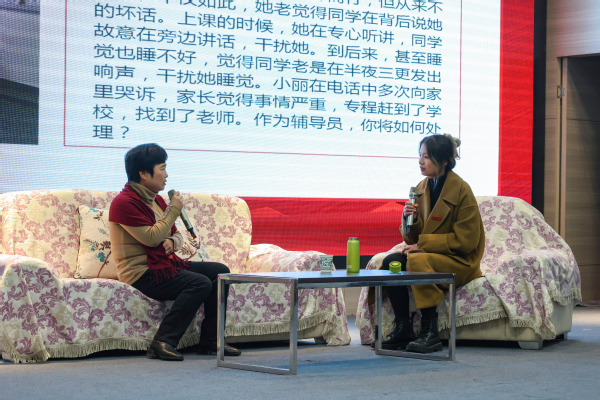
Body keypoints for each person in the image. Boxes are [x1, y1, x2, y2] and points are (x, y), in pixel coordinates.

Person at [109, 143, 241, 361]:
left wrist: (172, 240)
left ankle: (211, 340)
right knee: (199, 283)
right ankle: (163, 342)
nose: (166, 175)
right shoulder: (124, 203)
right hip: (141, 273)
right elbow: (152, 238)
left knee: (219, 271)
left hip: (163, 266)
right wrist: (174, 210)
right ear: (144, 173)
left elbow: (176, 235)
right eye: (162, 169)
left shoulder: (156, 200)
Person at [376, 134, 484, 353]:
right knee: (391, 262)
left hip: (460, 260)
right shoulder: (421, 188)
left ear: (443, 160)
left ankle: (430, 332)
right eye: (420, 156)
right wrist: (411, 219)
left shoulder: (462, 190)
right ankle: (403, 328)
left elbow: (467, 241)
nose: (420, 162)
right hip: (432, 256)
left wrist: (424, 244)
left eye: (426, 157)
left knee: (417, 259)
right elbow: (411, 240)